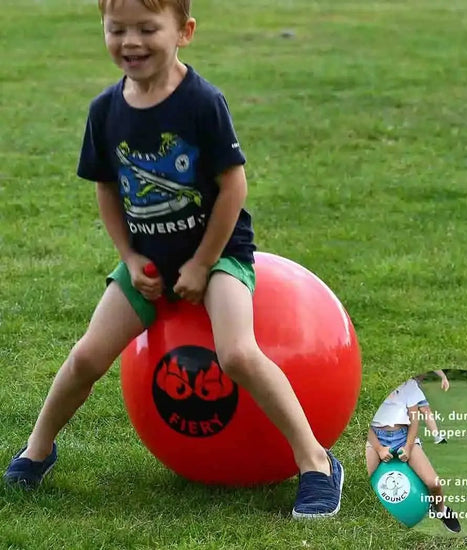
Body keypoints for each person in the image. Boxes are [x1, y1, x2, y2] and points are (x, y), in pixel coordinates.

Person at [3, 0, 343, 519]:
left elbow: (233, 188)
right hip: (149, 261)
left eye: (147, 28)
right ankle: (36, 450)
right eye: (117, 29)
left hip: (220, 254)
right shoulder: (105, 110)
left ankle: (316, 462)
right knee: (86, 357)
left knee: (236, 354)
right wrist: (129, 257)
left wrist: (204, 263)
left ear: (184, 31)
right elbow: (107, 189)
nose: (130, 41)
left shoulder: (202, 102)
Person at [365, 379, 461, 533]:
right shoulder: (369, 387)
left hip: (404, 436)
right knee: (363, 482)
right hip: (376, 437)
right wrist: (379, 448)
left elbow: (414, 421)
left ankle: (441, 511)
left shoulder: (409, 385)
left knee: (434, 483)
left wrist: (408, 447)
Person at [415, 370, 450, 444]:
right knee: (409, 412)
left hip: (414, 387)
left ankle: (437, 436)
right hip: (403, 388)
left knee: (425, 409)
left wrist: (443, 377)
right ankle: (413, 438)